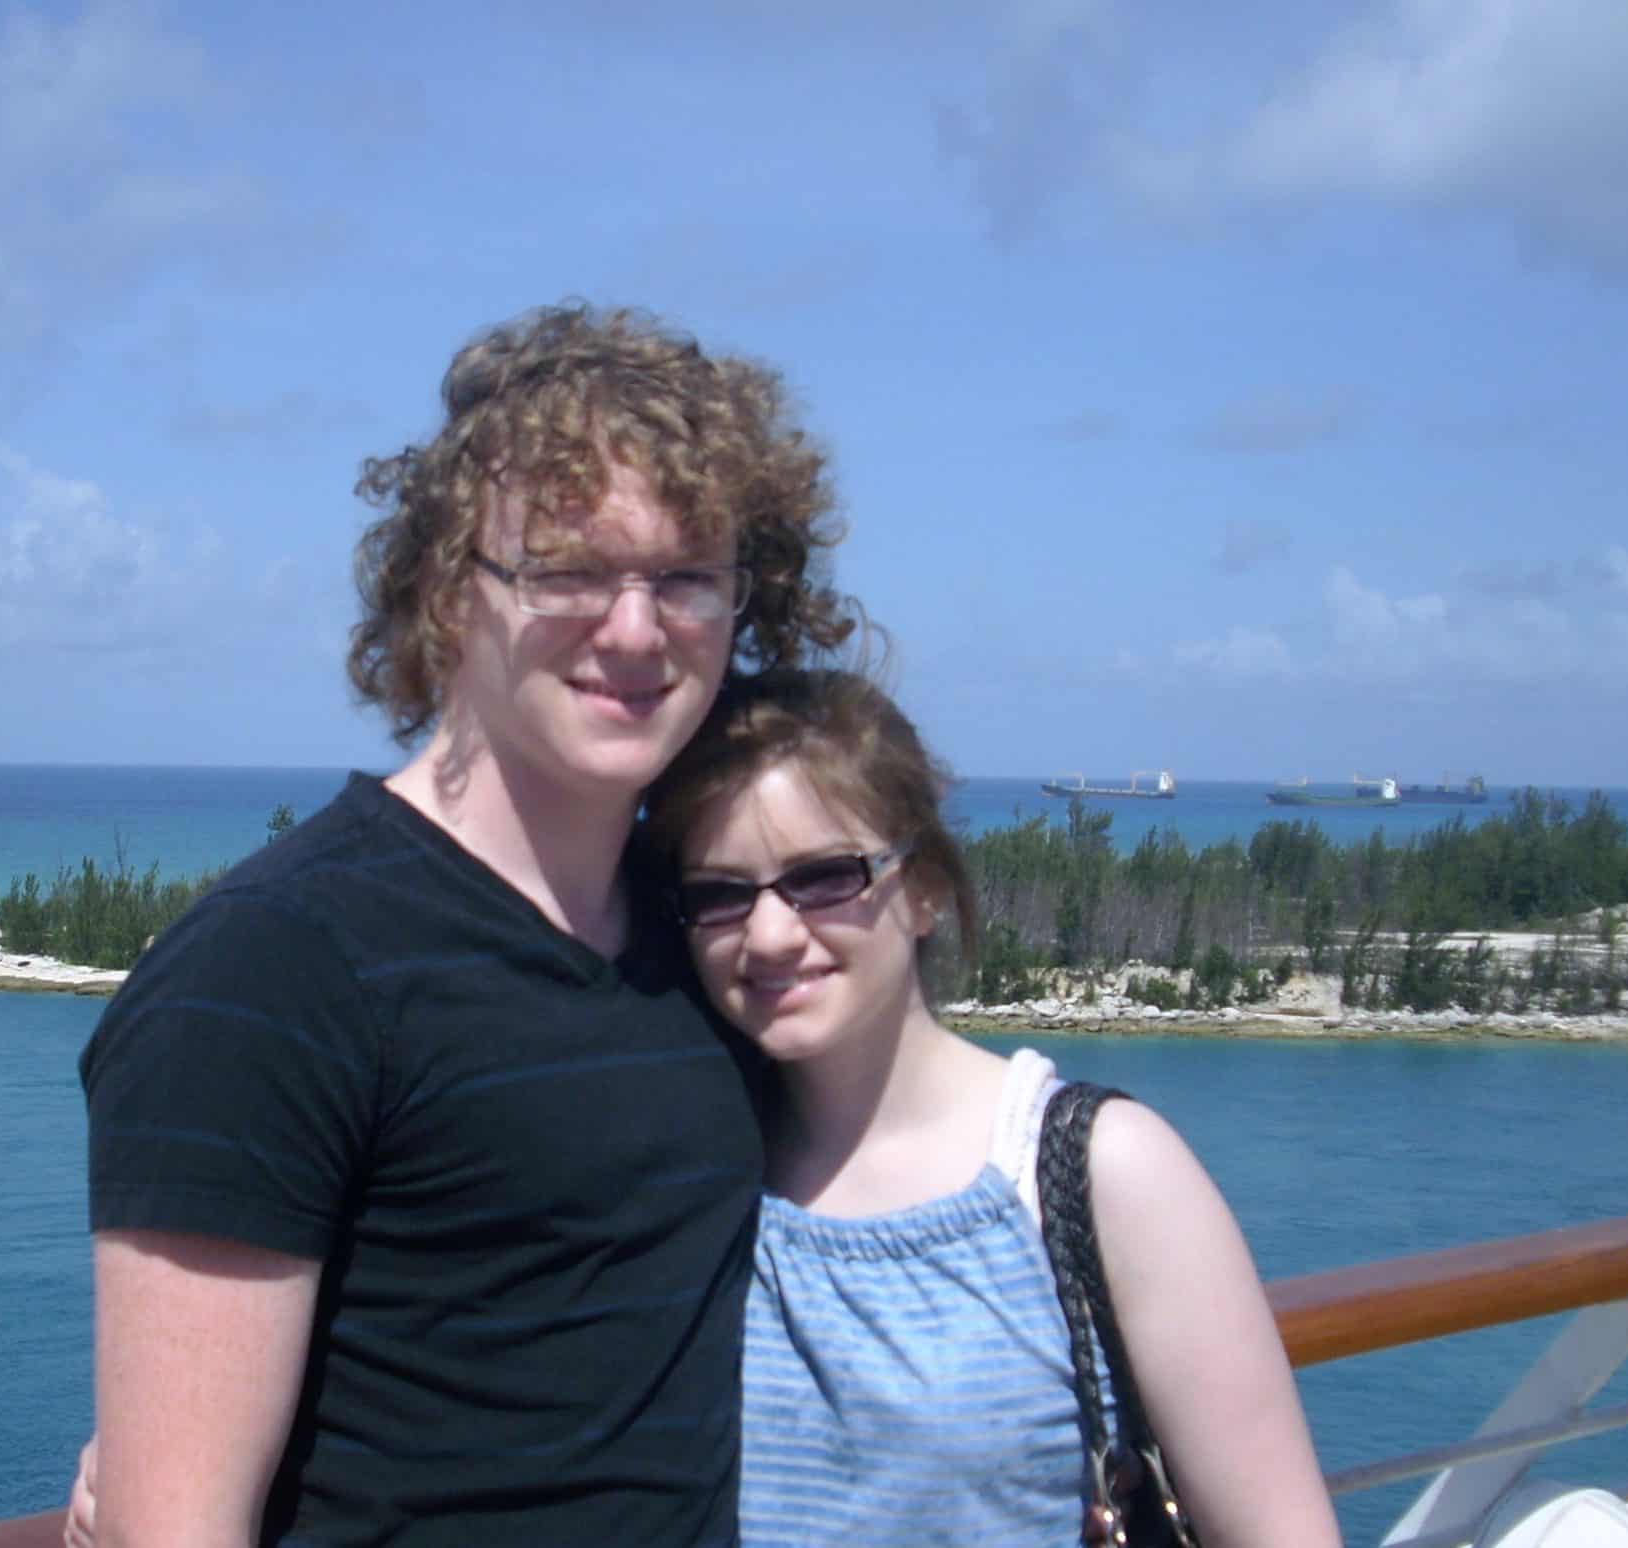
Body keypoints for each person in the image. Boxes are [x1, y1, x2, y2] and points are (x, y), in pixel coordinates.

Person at [73, 303, 854, 1546]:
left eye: (685, 575)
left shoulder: (704, 934)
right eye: (566, 569)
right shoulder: (274, 970)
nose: (636, 628)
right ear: (447, 591)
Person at [634, 668, 1341, 1546]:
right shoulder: (686, 1175)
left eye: (824, 877)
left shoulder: (1096, 1170)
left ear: (925, 886)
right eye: (719, 894)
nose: (771, 933)